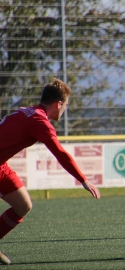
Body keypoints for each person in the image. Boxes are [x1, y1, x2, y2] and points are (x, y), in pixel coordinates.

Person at [0, 78, 101, 264]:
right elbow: (61, 153)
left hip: (1, 166)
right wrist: (83, 179)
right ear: (59, 103)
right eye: (66, 105)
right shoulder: (40, 121)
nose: (65, 109)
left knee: (23, 206)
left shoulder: (30, 111)